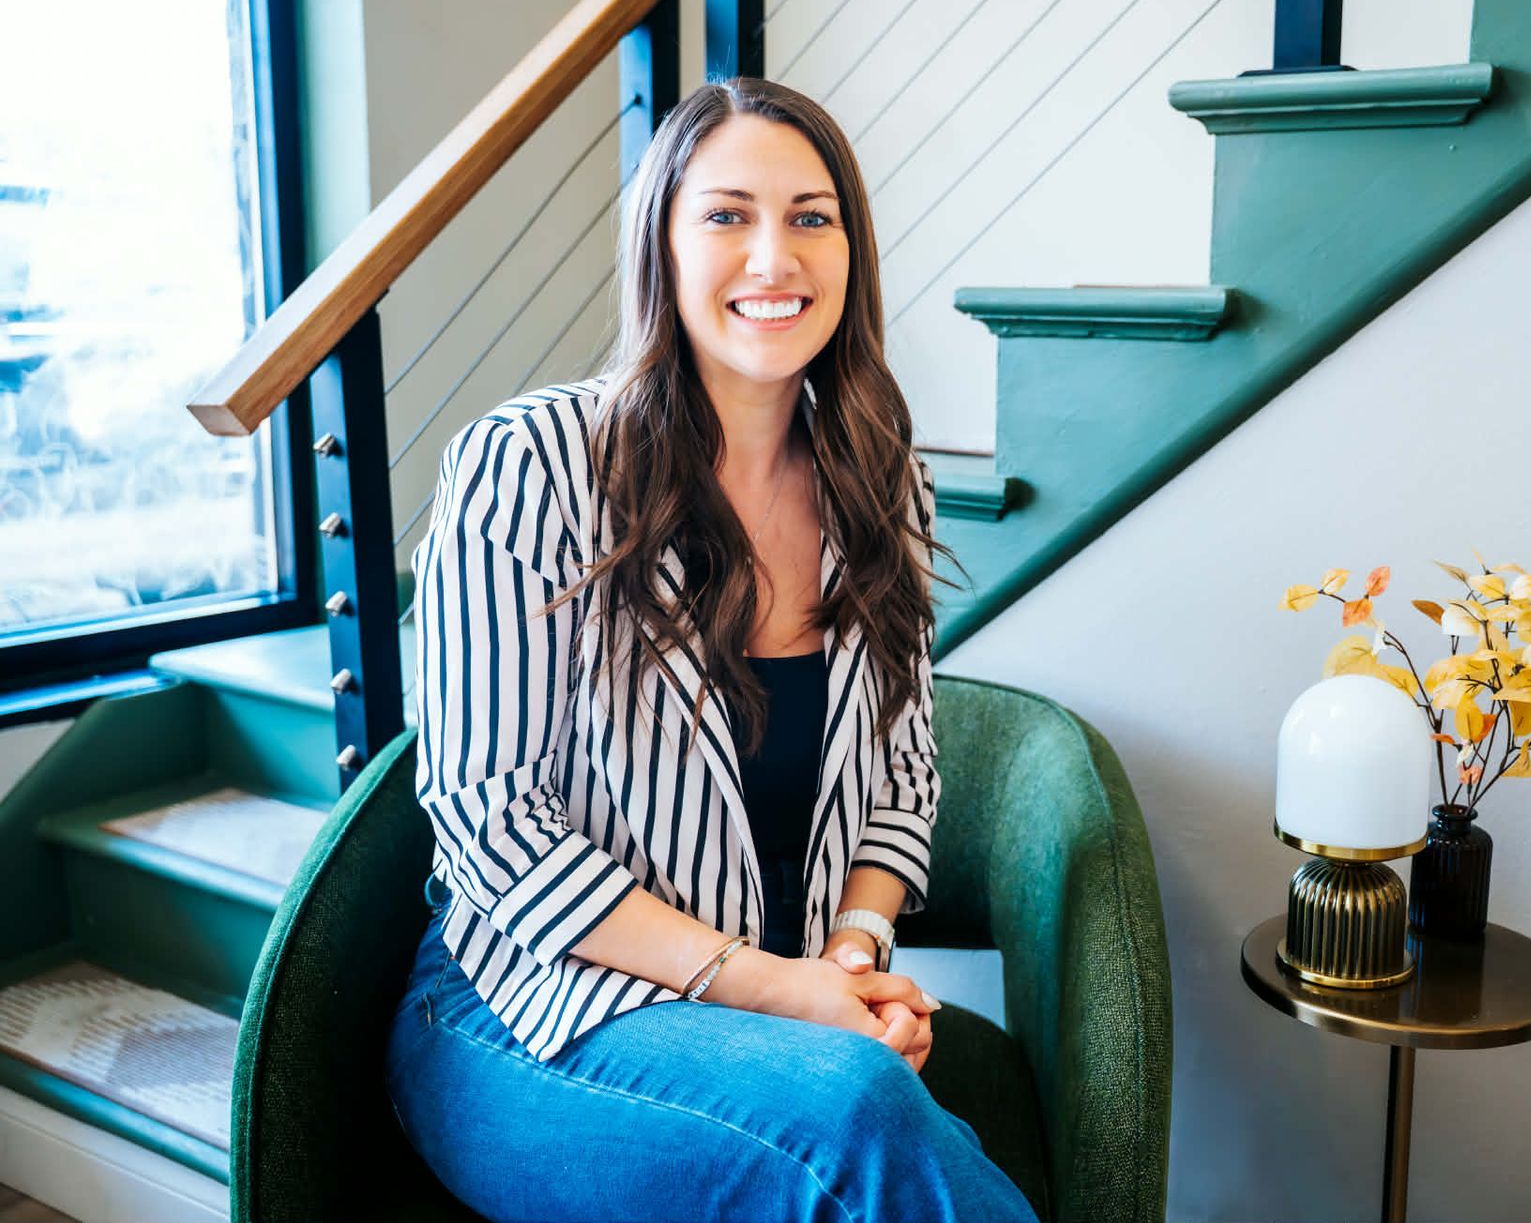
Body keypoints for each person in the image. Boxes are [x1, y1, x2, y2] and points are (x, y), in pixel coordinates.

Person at [382, 77, 1041, 1223]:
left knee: (867, 1104)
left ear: (851, 250)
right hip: (528, 1014)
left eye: (810, 216)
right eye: (728, 215)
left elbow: (903, 776)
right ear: (663, 245)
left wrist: (851, 954)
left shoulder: (882, 480)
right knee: (854, 1110)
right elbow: (490, 818)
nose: (774, 257)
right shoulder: (530, 464)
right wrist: (777, 991)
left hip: (780, 1001)